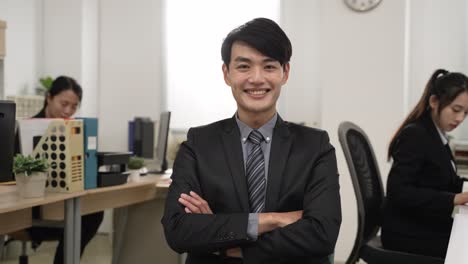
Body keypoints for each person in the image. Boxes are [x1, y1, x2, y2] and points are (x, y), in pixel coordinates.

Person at [161, 18, 341, 264]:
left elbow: (322, 234)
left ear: (285, 73)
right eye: (244, 67)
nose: (256, 79)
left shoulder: (315, 146)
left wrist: (229, 243)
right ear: (226, 73)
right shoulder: (198, 143)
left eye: (269, 67)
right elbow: (178, 230)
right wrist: (272, 220)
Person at [382, 69, 468, 259]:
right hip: (405, 232)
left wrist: (463, 188)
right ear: (434, 102)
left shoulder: (437, 135)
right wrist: (455, 198)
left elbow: (444, 179)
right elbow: (398, 191)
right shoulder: (416, 135)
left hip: (422, 224)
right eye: (455, 110)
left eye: (466, 113)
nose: (460, 119)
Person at [17, 76, 104, 264]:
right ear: (49, 97)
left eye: (74, 107)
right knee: (83, 219)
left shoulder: (73, 130)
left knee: (94, 212)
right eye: (64, 103)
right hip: (33, 205)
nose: (68, 111)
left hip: (62, 200)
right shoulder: (27, 129)